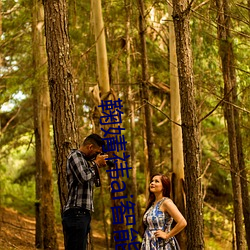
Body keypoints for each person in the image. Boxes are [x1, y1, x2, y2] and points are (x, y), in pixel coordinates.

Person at [62, 134, 108, 250]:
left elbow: (94, 182)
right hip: (76, 213)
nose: (97, 156)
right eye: (97, 152)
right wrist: (96, 164)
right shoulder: (75, 156)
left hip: (82, 214)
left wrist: (98, 166)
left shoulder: (86, 162)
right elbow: (84, 177)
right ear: (90, 147)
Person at [141, 173, 187, 250]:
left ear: (164, 187)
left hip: (162, 245)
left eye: (156, 181)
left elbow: (182, 222)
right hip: (149, 244)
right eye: (152, 181)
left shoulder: (166, 202)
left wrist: (167, 235)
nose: (152, 183)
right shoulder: (152, 204)